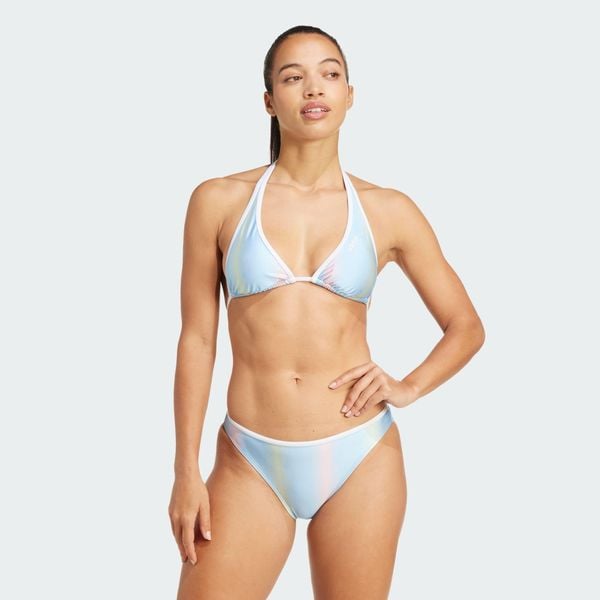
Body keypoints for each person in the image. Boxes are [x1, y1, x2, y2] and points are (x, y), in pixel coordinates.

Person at [169, 25, 485, 600]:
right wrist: (185, 470)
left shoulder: (388, 210)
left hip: (360, 454)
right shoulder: (218, 200)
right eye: (293, 77)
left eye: (330, 74)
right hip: (248, 459)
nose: (314, 88)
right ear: (270, 101)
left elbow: (465, 326)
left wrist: (408, 386)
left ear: (349, 94)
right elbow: (197, 340)